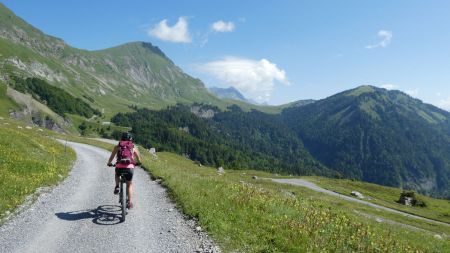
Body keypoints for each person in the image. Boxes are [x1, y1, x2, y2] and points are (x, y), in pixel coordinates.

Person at [107, 132, 142, 209]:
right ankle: (130, 203)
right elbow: (139, 159)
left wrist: (109, 163)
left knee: (117, 174)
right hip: (129, 168)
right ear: (130, 139)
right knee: (129, 185)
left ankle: (117, 186)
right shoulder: (132, 147)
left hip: (119, 166)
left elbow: (112, 156)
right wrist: (138, 163)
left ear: (121, 138)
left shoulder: (118, 146)